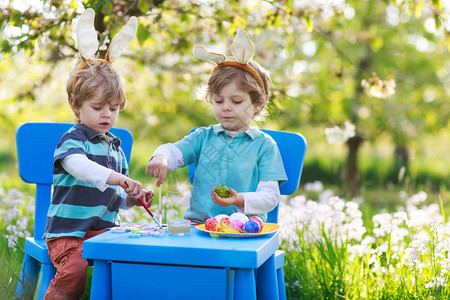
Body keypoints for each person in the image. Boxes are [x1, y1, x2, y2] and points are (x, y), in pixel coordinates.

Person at [43, 10, 152, 300]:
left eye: (114, 108)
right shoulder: (72, 140)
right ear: (75, 105)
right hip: (67, 234)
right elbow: (82, 169)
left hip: (103, 233)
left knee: (134, 257)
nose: (107, 114)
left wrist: (132, 196)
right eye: (98, 107)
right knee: (75, 269)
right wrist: (117, 178)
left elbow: (114, 197)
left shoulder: (114, 146)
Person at [146, 29, 287, 223]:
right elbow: (174, 151)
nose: (226, 108)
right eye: (219, 101)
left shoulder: (264, 146)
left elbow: (270, 197)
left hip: (244, 230)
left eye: (236, 101)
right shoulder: (203, 137)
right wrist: (162, 157)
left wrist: (240, 199)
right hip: (199, 227)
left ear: (257, 105)